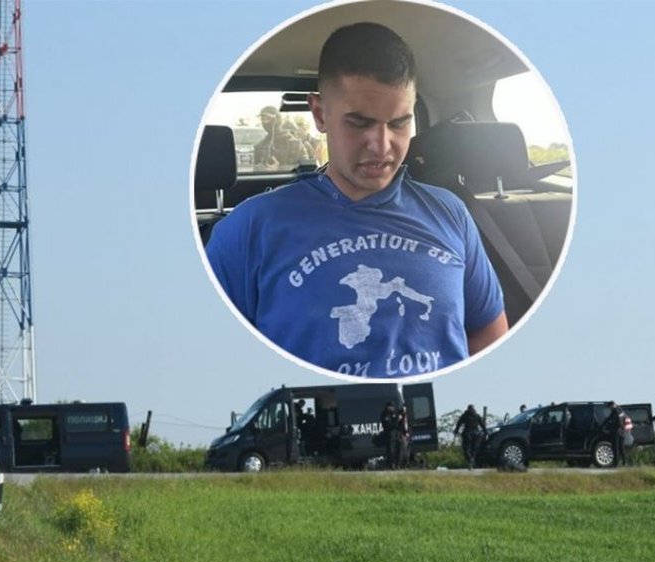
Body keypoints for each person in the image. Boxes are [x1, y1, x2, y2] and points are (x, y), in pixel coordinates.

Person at [206, 22, 507, 378]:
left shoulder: (451, 212)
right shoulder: (247, 230)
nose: (381, 146)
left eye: (399, 123)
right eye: (359, 123)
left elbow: (488, 331)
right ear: (320, 114)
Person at [253, 106, 309, 170]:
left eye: (267, 119)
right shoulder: (260, 146)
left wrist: (280, 169)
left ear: (277, 120)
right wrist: (260, 168)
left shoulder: (295, 144)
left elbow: (305, 169)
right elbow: (255, 169)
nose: (264, 122)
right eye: (262, 119)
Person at [454, 404, 486, 469]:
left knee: (466, 450)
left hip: (467, 434)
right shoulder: (477, 415)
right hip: (476, 434)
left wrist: (456, 431)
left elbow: (459, 423)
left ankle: (470, 460)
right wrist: (486, 432)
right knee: (474, 450)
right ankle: (472, 461)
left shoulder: (465, 415)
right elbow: (482, 425)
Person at [603, 401, 627, 467]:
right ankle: (624, 462)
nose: (609, 408)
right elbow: (625, 419)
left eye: (609, 407)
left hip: (616, 431)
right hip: (622, 432)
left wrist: (607, 427)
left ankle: (616, 463)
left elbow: (613, 420)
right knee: (621, 448)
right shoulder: (621, 410)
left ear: (612, 405)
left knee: (615, 447)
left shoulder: (615, 411)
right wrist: (623, 427)